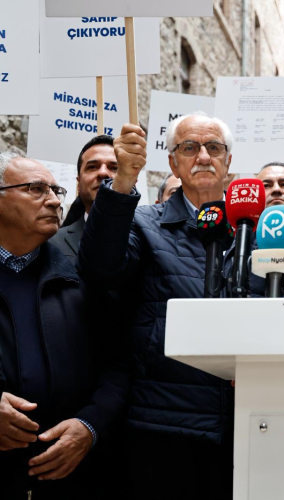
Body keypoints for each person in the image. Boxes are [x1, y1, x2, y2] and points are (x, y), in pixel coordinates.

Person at [77, 111, 235, 500]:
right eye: (189, 147)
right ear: (173, 163)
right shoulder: (144, 223)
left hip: (241, 422)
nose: (203, 156)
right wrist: (123, 180)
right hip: (164, 424)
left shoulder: (255, 231)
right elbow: (99, 269)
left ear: (228, 161)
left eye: (214, 148)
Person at [0, 152, 127, 499]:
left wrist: (90, 426)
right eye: (36, 188)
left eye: (56, 190)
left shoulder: (82, 278)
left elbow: (119, 365)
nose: (55, 201)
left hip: (71, 479)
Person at [50, 135, 117, 260]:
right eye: (92, 167)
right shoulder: (51, 243)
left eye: (114, 168)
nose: (103, 173)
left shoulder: (148, 241)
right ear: (78, 184)